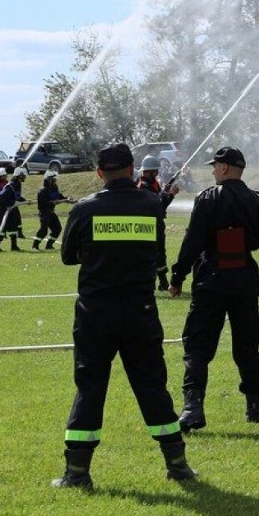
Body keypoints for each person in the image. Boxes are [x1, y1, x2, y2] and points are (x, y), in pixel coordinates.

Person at [52, 141, 195, 490]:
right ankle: (178, 465)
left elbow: (68, 257)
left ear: (100, 173)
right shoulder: (150, 206)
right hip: (141, 310)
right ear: (132, 170)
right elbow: (155, 250)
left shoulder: (85, 209)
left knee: (90, 388)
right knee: (152, 386)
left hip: (95, 313)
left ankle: (77, 473)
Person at [169, 145, 259, 431]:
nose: (212, 171)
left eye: (214, 167)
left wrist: (177, 276)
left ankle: (192, 408)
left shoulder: (207, 199)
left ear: (223, 168)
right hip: (244, 278)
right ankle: (254, 407)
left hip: (211, 276)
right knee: (247, 345)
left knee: (198, 345)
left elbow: (192, 242)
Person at [136, 153, 180, 290]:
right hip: (150, 224)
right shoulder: (143, 186)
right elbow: (159, 206)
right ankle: (162, 283)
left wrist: (166, 190)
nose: (157, 172)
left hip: (154, 223)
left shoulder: (150, 183)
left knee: (159, 253)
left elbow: (159, 197)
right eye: (155, 170)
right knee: (157, 253)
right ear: (148, 171)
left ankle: (162, 283)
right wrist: (171, 194)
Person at [32, 170, 71, 251]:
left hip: (51, 212)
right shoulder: (42, 191)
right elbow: (43, 204)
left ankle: (49, 246)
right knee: (44, 230)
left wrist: (67, 199)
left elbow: (59, 196)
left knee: (57, 229)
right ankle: (35, 246)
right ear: (48, 179)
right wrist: (53, 202)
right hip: (44, 213)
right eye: (53, 179)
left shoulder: (54, 187)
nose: (55, 180)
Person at [0, 167, 28, 252]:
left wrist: (25, 200)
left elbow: (16, 196)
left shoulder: (17, 184)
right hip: (2, 207)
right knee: (3, 227)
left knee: (13, 226)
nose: (24, 178)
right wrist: (11, 203)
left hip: (10, 206)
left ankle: (14, 246)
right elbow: (1, 197)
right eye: (23, 176)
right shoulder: (11, 185)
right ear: (19, 176)